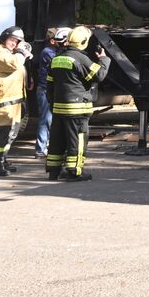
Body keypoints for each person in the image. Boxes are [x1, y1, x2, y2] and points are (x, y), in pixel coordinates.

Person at [46, 26, 109, 182]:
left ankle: (53, 171)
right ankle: (74, 171)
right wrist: (104, 59)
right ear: (83, 42)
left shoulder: (56, 59)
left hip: (59, 107)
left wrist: (53, 102)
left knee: (57, 140)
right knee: (77, 139)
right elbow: (99, 75)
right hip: (77, 109)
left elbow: (49, 84)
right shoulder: (81, 58)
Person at [0, 26, 31, 177]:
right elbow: (13, 65)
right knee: (1, 132)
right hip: (4, 99)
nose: (15, 44)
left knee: (11, 132)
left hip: (14, 99)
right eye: (12, 40)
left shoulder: (9, 52)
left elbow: (18, 68)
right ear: (5, 38)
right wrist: (22, 51)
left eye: (17, 42)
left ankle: (2, 160)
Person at [33, 27, 69, 160]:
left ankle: (47, 147)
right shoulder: (48, 52)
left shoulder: (54, 51)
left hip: (50, 89)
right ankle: (40, 150)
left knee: (51, 120)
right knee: (45, 120)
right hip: (45, 90)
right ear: (53, 41)